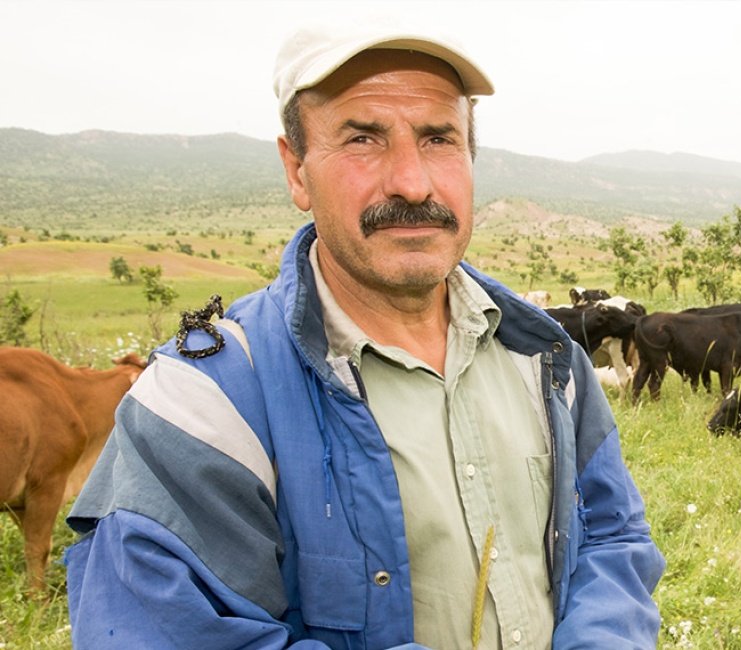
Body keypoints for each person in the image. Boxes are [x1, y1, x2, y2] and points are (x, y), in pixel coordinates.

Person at [63, 23, 665, 649]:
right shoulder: (202, 402)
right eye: (362, 139)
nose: (412, 182)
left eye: (438, 138)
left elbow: (611, 539)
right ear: (296, 170)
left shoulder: (546, 359)